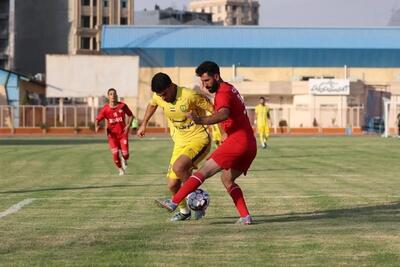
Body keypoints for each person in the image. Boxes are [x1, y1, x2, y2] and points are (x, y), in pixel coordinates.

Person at [155, 61, 257, 225]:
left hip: (237, 141)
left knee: (203, 172)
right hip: (250, 144)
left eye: (207, 81)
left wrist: (200, 120)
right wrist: (223, 132)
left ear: (216, 76)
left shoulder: (223, 93)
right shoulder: (229, 88)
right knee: (227, 179)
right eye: (202, 82)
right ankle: (245, 216)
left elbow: (224, 113)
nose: (204, 85)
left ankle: (174, 201)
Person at [137, 72, 213, 221]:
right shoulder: (159, 96)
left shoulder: (189, 95)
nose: (163, 98)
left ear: (171, 86)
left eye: (165, 94)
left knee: (179, 168)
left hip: (199, 139)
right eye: (160, 95)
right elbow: (153, 104)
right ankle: (185, 212)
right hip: (180, 143)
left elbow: (216, 110)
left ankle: (197, 200)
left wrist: (224, 132)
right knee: (172, 184)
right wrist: (144, 124)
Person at [95, 88, 134, 176]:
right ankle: (120, 169)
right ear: (108, 96)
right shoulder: (105, 109)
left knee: (126, 154)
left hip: (123, 134)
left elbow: (131, 115)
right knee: (115, 153)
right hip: (112, 136)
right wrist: (97, 126)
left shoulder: (122, 106)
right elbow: (98, 119)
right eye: (111, 94)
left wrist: (128, 125)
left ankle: (124, 159)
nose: (113, 96)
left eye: (114, 94)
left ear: (116, 96)